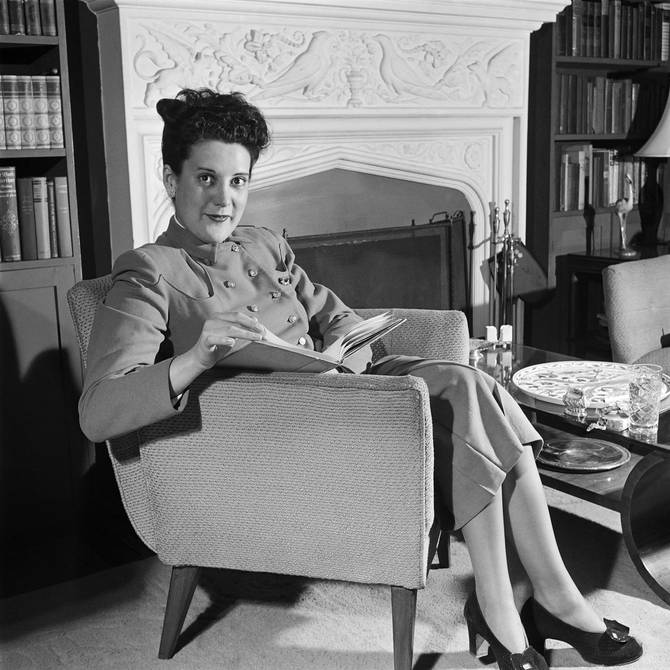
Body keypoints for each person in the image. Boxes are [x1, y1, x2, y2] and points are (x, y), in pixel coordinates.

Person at [79, 88, 642, 670]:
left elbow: (329, 308)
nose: (225, 200)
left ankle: (536, 603)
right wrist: (195, 357)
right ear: (171, 180)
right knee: (468, 391)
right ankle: (524, 607)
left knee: (480, 388)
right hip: (288, 427)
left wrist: (342, 341)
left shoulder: (262, 241)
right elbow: (98, 411)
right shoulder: (148, 272)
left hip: (354, 385)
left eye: (239, 181)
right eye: (206, 179)